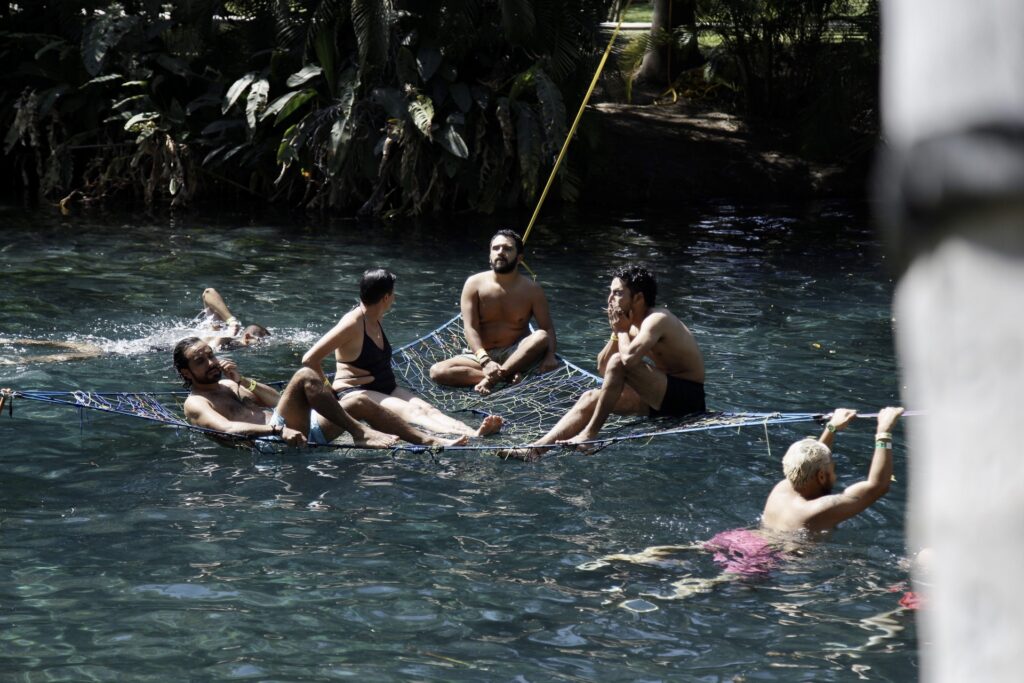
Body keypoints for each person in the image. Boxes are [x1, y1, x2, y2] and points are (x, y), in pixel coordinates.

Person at [501, 264, 704, 458]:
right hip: (658, 397)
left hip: (687, 400)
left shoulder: (657, 319)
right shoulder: (630, 325)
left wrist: (622, 331)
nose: (609, 299)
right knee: (590, 396)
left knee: (619, 360)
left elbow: (627, 360)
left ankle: (589, 435)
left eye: (617, 293)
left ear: (639, 297)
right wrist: (617, 334)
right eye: (610, 292)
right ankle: (535, 450)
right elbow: (603, 368)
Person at [302, 268, 503, 438]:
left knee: (429, 410)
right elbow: (310, 359)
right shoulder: (352, 323)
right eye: (393, 293)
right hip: (356, 391)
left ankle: (471, 431)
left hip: (385, 386)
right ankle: (471, 437)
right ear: (386, 297)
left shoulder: (375, 316)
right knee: (413, 412)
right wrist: (329, 392)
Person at [173, 337, 466, 449]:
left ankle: (430, 440)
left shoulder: (227, 384)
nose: (211, 363)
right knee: (304, 375)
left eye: (211, 356)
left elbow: (276, 401)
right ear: (186, 373)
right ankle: (360, 434)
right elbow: (228, 427)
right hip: (272, 444)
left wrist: (243, 380)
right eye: (201, 361)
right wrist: (277, 431)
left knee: (358, 400)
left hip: (297, 429)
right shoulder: (196, 403)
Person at [428, 229, 558, 395]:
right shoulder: (474, 284)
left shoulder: (533, 290)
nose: (500, 252)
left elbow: (547, 329)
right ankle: (506, 376)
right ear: (489, 255)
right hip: (481, 355)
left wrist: (550, 356)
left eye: (507, 248)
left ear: (520, 258)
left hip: (517, 352)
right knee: (437, 371)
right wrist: (485, 361)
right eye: (496, 248)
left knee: (540, 336)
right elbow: (470, 328)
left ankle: (492, 379)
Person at [760, 406, 905, 533]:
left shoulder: (782, 488)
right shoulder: (816, 510)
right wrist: (884, 432)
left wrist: (832, 427)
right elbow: (878, 486)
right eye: (833, 470)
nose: (835, 476)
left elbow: (813, 459)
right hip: (775, 562)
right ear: (822, 476)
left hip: (751, 544)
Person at [194, 287, 270, 351]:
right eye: (260, 341)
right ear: (248, 337)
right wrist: (231, 321)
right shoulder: (229, 335)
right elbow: (208, 292)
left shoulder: (222, 331)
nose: (262, 345)